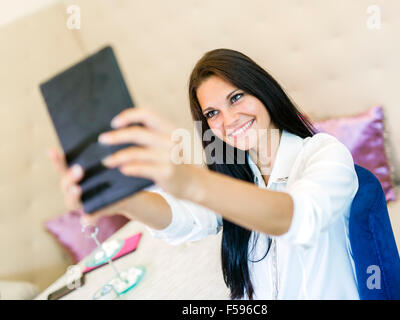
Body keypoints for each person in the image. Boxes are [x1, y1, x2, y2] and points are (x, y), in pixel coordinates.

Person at [48, 48, 360, 300]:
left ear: (263, 91)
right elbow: (181, 220)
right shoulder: (233, 179)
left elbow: (297, 219)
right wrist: (118, 197)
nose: (228, 119)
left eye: (236, 98)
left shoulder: (325, 153)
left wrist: (187, 180)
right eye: (212, 114)